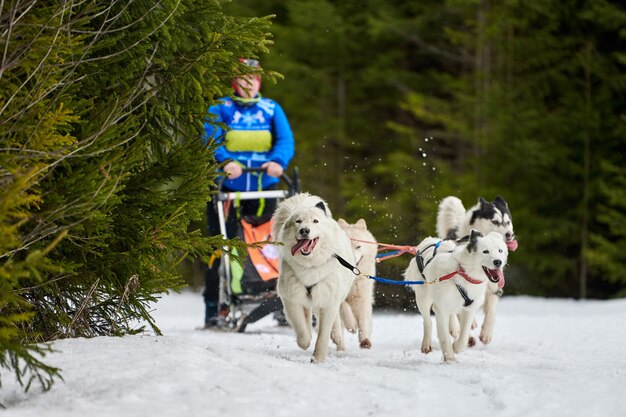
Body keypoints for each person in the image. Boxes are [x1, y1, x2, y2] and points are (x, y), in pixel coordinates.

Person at [203, 58, 295, 328]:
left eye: (253, 78)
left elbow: (285, 140)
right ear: (234, 81)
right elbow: (210, 137)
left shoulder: (270, 108)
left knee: (269, 243)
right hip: (227, 189)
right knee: (222, 245)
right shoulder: (220, 107)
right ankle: (214, 307)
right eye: (243, 78)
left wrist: (278, 161)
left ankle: (278, 300)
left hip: (263, 188)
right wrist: (224, 161)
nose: (248, 83)